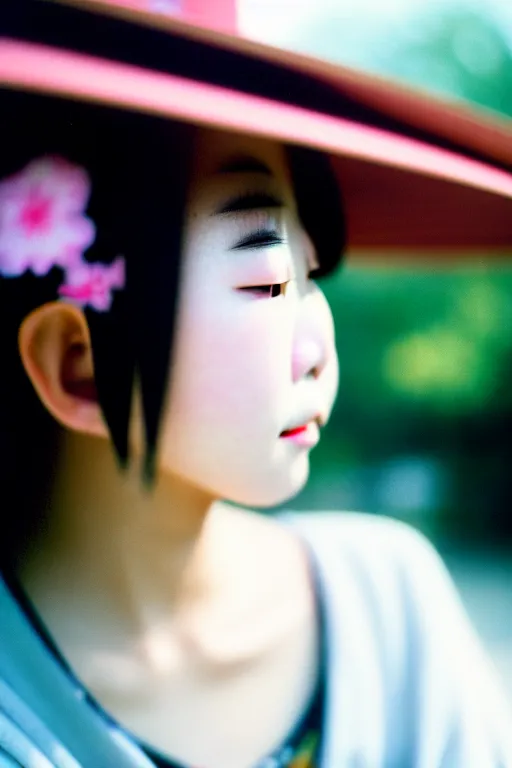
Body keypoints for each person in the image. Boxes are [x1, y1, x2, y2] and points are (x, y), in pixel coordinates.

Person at [1, 2, 512, 768]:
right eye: (268, 280)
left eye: (312, 274)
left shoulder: (387, 607)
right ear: (78, 364)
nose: (318, 347)